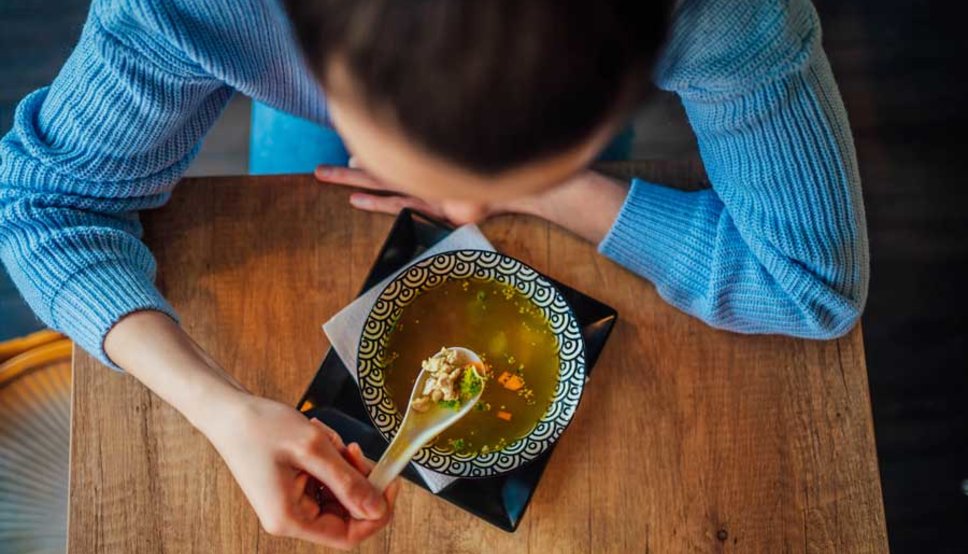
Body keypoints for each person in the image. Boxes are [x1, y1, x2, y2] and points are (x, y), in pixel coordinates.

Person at [0, 0, 868, 548]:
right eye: (437, 169)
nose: (454, 210)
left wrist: (564, 190)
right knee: (295, 159)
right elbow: (42, 206)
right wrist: (215, 407)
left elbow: (808, 286)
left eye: (510, 172)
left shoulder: (721, 12)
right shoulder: (199, 7)